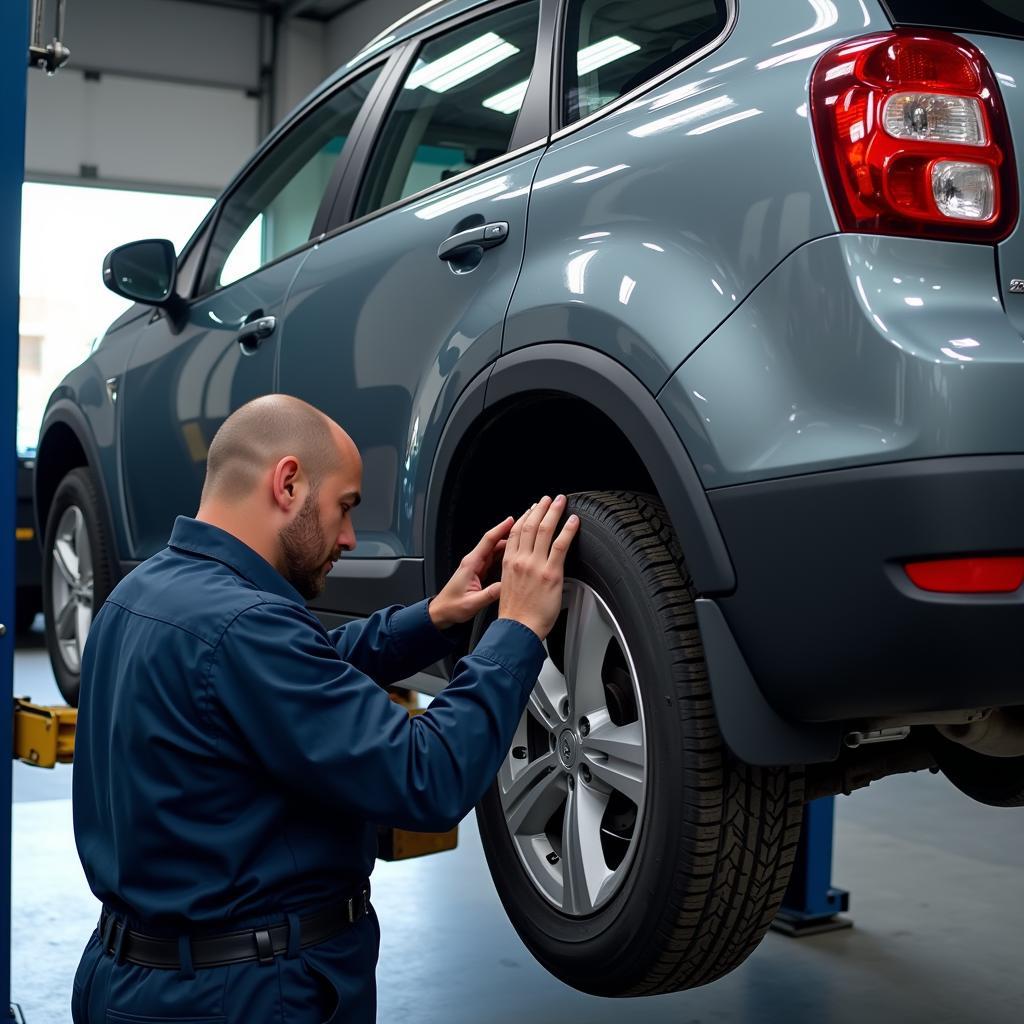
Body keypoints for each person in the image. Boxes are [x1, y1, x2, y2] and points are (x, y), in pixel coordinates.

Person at [71, 394, 579, 1023]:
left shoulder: (138, 595)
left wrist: (432, 619)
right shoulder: (246, 628)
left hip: (130, 981)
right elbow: (429, 776)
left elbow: (292, 676)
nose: (348, 537)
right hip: (243, 997)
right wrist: (519, 630)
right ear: (287, 483)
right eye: (345, 506)